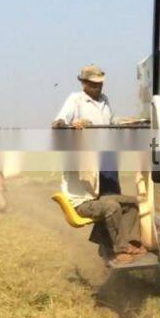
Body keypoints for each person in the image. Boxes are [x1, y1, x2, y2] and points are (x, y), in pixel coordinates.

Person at [52, 64, 145, 265]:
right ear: (84, 83)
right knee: (109, 206)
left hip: (105, 157)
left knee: (118, 202)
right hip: (89, 156)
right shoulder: (75, 100)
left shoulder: (105, 100)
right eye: (94, 84)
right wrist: (69, 126)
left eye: (100, 84)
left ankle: (125, 243)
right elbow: (60, 123)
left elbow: (110, 123)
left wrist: (127, 124)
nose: (98, 88)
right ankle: (111, 249)